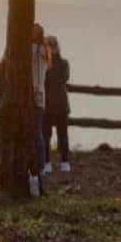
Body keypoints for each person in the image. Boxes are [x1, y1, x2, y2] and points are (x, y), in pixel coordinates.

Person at [44, 36, 71, 174]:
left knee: (46, 135)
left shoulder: (44, 65)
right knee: (62, 135)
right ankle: (64, 163)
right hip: (61, 104)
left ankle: (47, 163)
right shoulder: (64, 64)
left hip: (47, 104)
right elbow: (64, 78)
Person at [32, 23, 51, 175]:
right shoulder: (45, 51)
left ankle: (39, 163)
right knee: (38, 130)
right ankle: (42, 163)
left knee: (35, 131)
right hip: (41, 94)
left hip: (34, 92)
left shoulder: (34, 49)